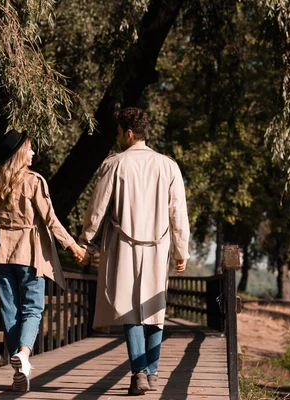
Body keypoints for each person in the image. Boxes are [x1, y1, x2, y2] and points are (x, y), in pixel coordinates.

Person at [78, 107, 190, 395]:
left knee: (130, 309)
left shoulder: (115, 164)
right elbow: (178, 211)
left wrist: (85, 240)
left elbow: (97, 207)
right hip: (158, 243)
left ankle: (139, 372)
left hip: (123, 243)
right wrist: (181, 250)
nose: (117, 138)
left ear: (128, 133)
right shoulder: (168, 166)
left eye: (118, 132)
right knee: (155, 308)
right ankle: (151, 372)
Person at [0, 128, 87, 392]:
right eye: (29, 148)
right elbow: (50, 220)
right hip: (29, 252)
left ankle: (20, 370)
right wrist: (73, 246)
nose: (33, 152)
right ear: (19, 154)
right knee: (33, 309)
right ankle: (24, 354)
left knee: (10, 312)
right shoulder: (34, 182)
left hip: (0, 253)